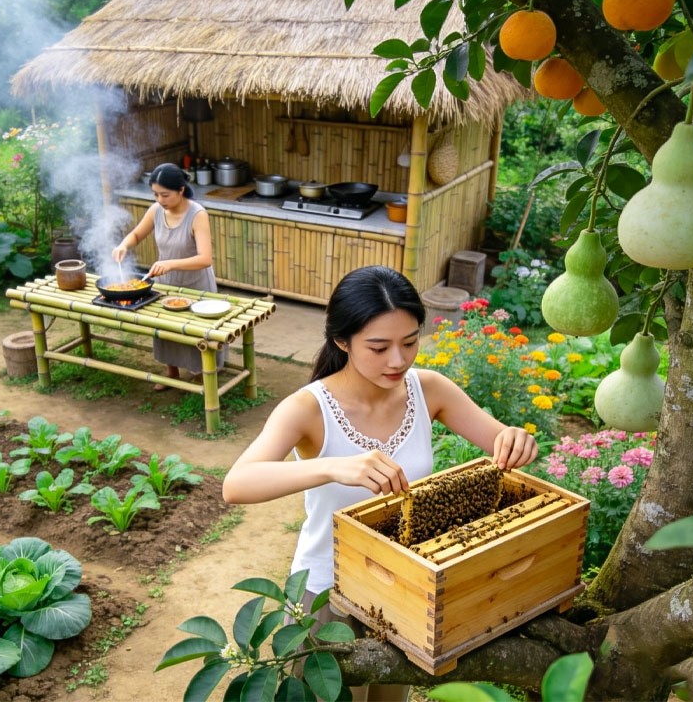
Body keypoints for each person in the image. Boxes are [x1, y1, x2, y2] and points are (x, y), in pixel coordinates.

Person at [223, 265, 538, 702]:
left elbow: (500, 439)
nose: (398, 360)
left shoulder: (428, 389)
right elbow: (237, 483)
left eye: (409, 342)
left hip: (406, 584)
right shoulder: (308, 408)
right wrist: (334, 467)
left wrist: (515, 439)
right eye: (378, 347)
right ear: (341, 341)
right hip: (326, 588)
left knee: (390, 698)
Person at [112, 162, 225, 391]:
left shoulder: (197, 214)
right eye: (155, 194)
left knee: (196, 332)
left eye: (165, 194)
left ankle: (203, 372)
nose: (160, 200)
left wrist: (170, 264)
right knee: (166, 329)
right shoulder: (156, 210)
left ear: (181, 190)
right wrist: (124, 245)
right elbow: (136, 234)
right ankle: (171, 372)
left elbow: (205, 259)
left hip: (196, 284)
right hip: (167, 284)